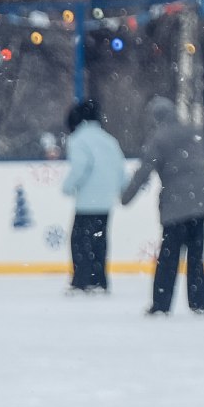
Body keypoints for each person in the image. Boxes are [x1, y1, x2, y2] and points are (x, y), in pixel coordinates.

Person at [119, 96, 204, 316]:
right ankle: (198, 303)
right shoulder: (194, 132)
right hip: (200, 203)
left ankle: (161, 304)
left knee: (168, 258)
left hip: (176, 207)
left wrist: (126, 196)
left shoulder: (159, 138)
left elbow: (144, 171)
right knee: (196, 257)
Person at [59, 99, 123, 294]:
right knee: (99, 241)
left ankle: (82, 280)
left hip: (87, 200)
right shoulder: (109, 139)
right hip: (105, 201)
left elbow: (80, 166)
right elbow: (120, 169)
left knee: (80, 242)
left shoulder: (78, 139)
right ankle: (99, 279)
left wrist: (68, 187)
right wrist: (119, 189)